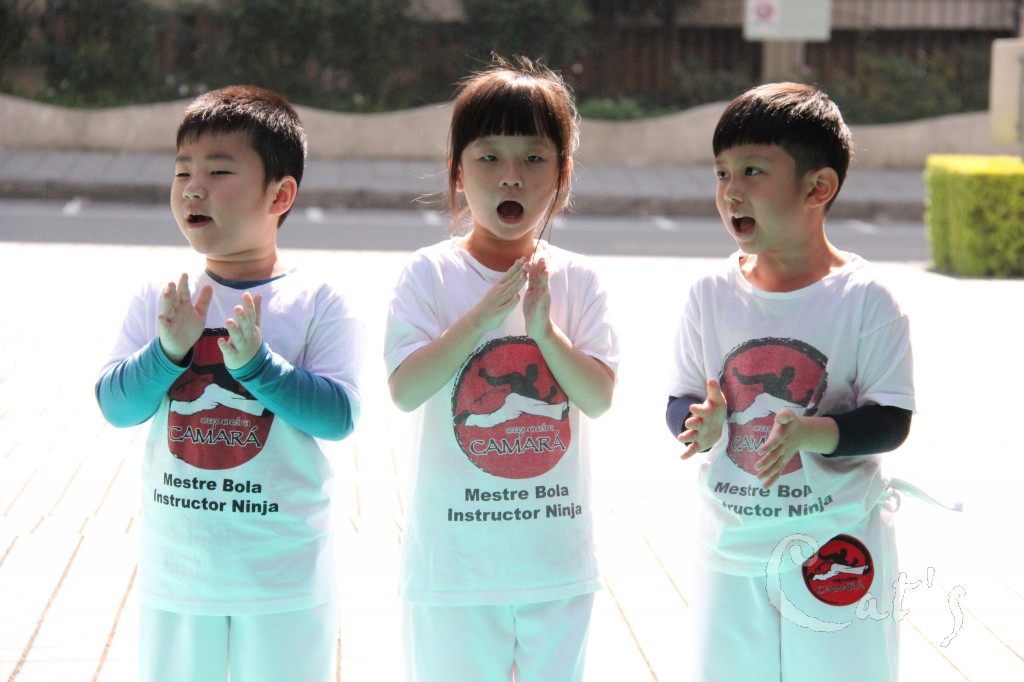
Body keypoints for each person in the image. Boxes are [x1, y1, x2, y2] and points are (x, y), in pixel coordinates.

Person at [95, 85, 363, 682]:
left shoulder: (318, 299)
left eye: (218, 171)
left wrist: (257, 367)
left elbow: (339, 416)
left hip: (283, 577)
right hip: (179, 576)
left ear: (280, 195)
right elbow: (115, 406)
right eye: (182, 171)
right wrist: (167, 351)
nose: (193, 188)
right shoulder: (163, 296)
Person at [664, 82, 915, 681]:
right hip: (733, 547)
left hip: (835, 549)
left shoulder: (867, 299)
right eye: (722, 173)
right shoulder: (708, 294)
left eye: (753, 171)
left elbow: (891, 420)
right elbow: (681, 399)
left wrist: (811, 433)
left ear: (817, 187)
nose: (731, 191)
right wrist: (699, 424)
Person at [384, 56, 619, 682]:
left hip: (555, 567)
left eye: (533, 158)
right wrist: (481, 318)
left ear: (562, 176)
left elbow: (598, 399)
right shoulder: (429, 273)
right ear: (458, 173)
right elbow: (405, 389)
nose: (510, 175)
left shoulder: (578, 279)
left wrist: (545, 333)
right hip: (453, 570)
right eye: (489, 157)